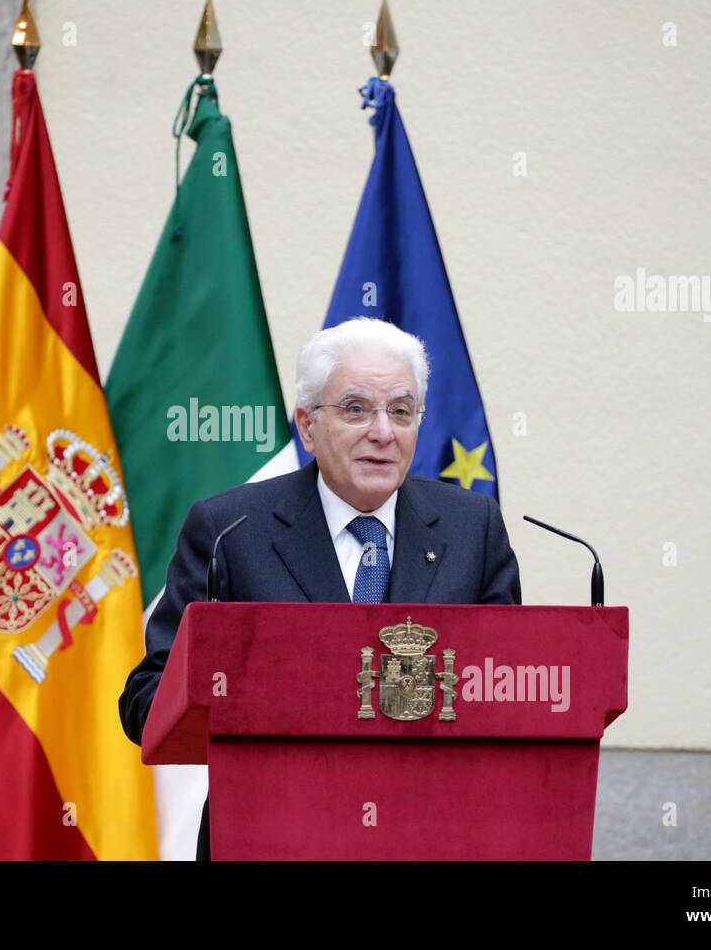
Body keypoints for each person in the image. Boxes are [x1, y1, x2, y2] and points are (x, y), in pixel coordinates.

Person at [118, 317, 521, 856]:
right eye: (356, 409)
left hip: (430, 836)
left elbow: (509, 689)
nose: (382, 430)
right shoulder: (230, 533)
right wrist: (257, 696)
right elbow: (147, 701)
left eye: (401, 411)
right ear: (307, 427)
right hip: (270, 835)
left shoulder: (474, 529)